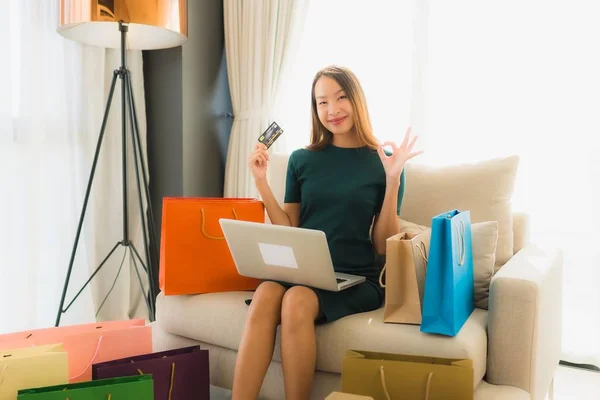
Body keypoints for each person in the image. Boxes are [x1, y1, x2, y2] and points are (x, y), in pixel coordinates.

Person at [233, 65, 422, 400]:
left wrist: (392, 181)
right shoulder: (301, 160)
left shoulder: (384, 161)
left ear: (357, 101)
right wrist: (262, 183)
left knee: (296, 300)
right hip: (303, 271)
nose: (332, 110)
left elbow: (383, 246)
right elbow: (288, 229)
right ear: (314, 109)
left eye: (341, 98)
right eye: (322, 102)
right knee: (265, 295)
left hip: (356, 276)